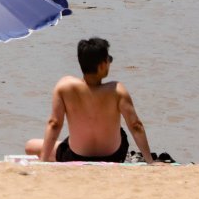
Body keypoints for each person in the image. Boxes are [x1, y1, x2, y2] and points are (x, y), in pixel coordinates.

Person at [25, 38, 158, 164]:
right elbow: (136, 125)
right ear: (101, 66)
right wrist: (150, 161)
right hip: (114, 156)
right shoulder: (117, 90)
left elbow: (54, 124)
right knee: (120, 131)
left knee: (30, 146)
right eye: (109, 59)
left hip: (75, 157)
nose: (110, 62)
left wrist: (42, 161)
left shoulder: (64, 86)